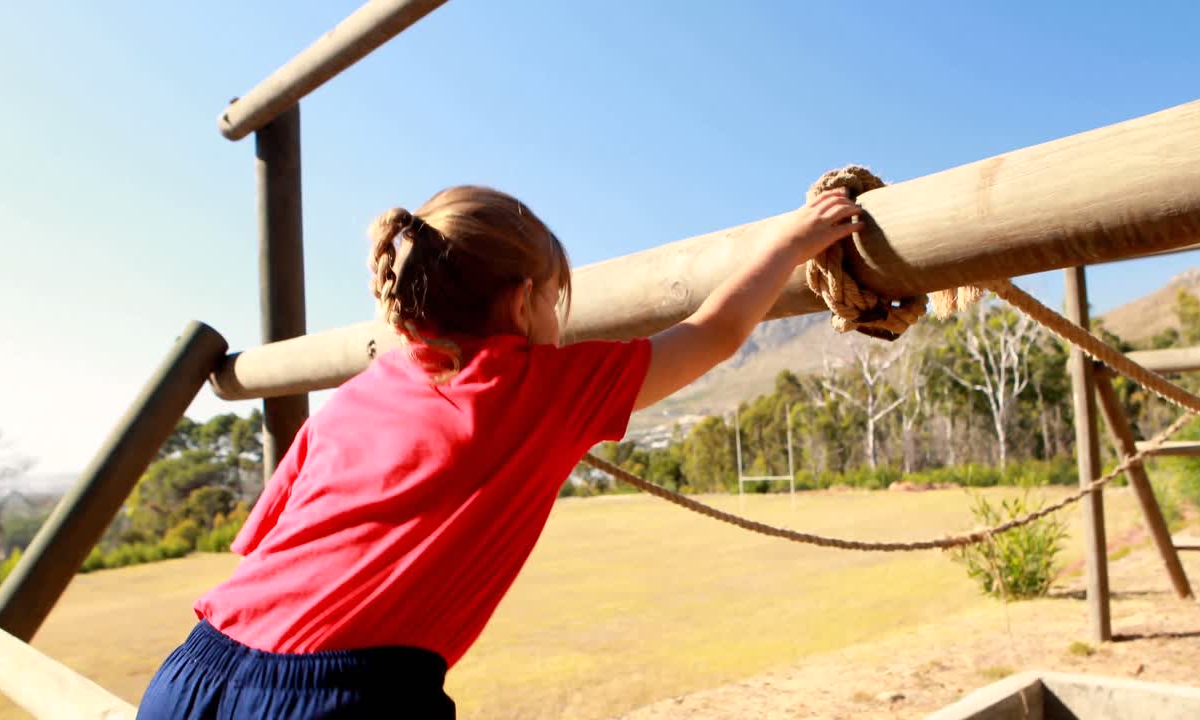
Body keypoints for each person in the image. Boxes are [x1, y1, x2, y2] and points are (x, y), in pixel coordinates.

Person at [137, 184, 864, 719]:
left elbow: (263, 544)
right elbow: (714, 331)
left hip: (191, 673)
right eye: (556, 299)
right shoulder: (538, 386)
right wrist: (794, 241)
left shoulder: (361, 392)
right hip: (343, 698)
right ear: (522, 305)